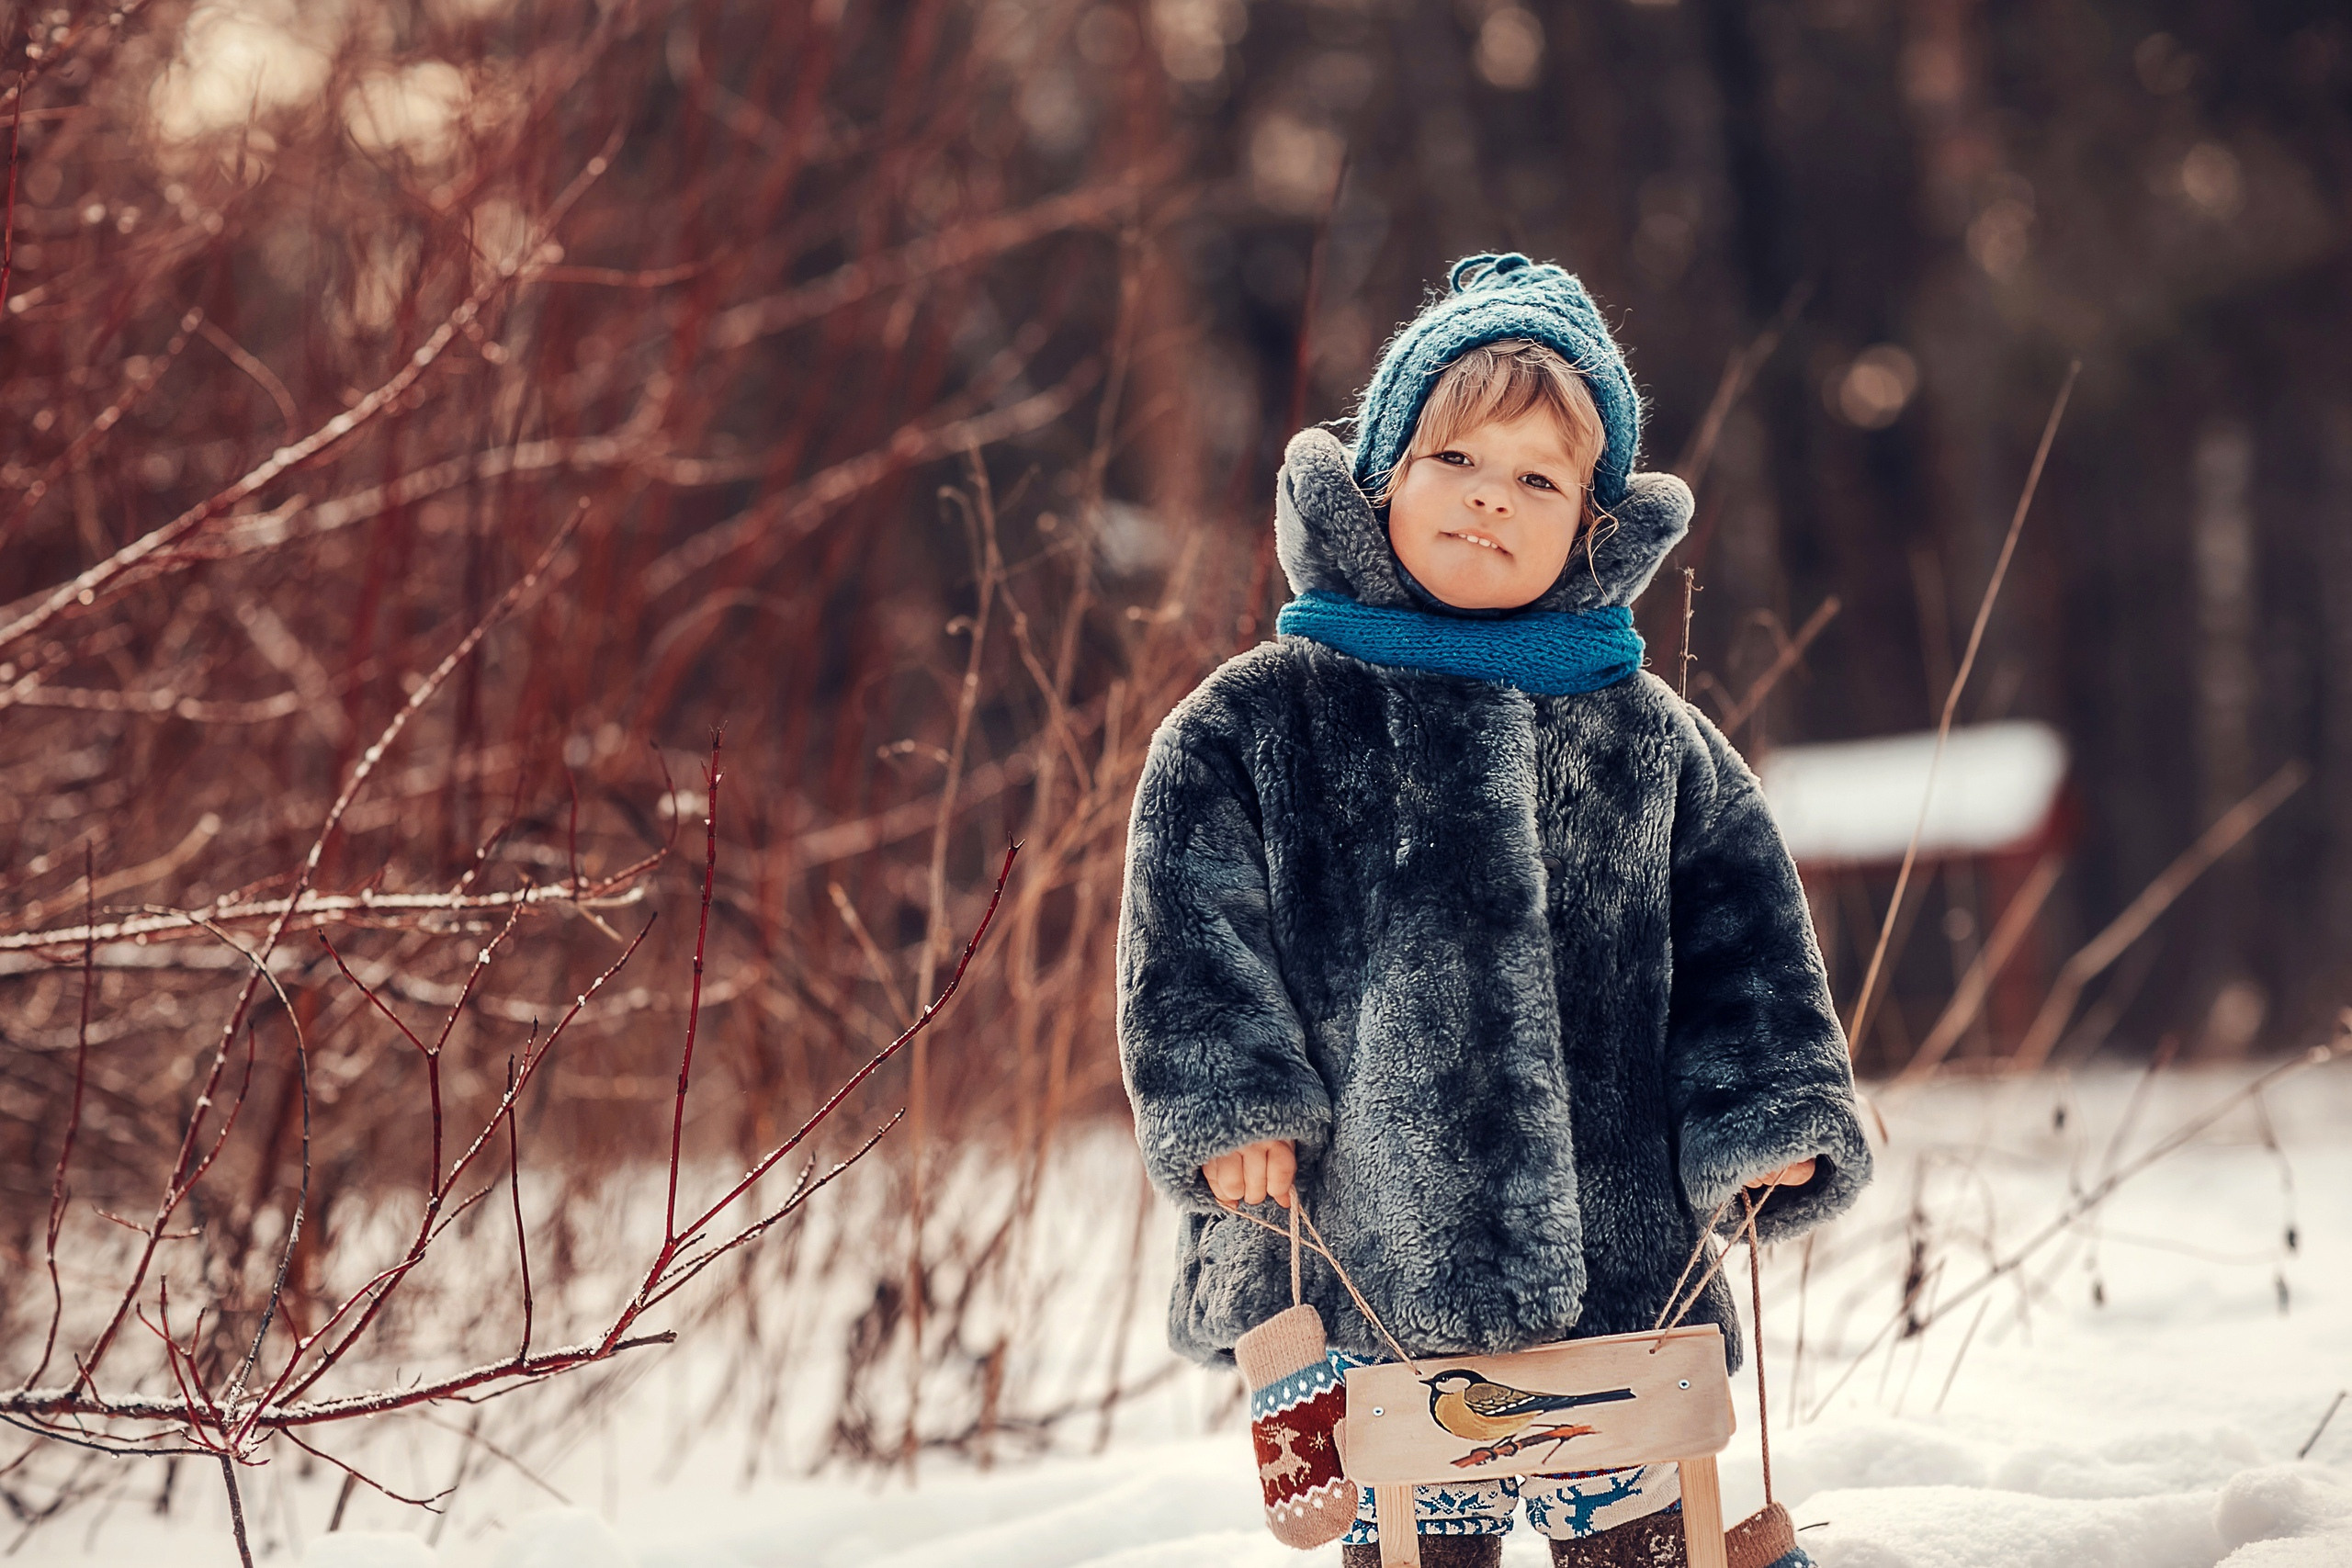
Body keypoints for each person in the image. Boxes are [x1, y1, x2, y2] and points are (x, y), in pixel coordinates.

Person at [1115, 254, 1872, 1567]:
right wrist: (1233, 1108)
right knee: (1413, 1532)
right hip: (1367, 1255)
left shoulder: (1653, 744)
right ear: (1383, 476)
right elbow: (1192, 937)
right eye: (1457, 460)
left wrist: (1769, 1114)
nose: (1489, 502)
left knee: (1646, 1533)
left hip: (1618, 1271)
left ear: (1592, 522)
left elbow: (1745, 953)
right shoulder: (1258, 723)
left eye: (1538, 480)